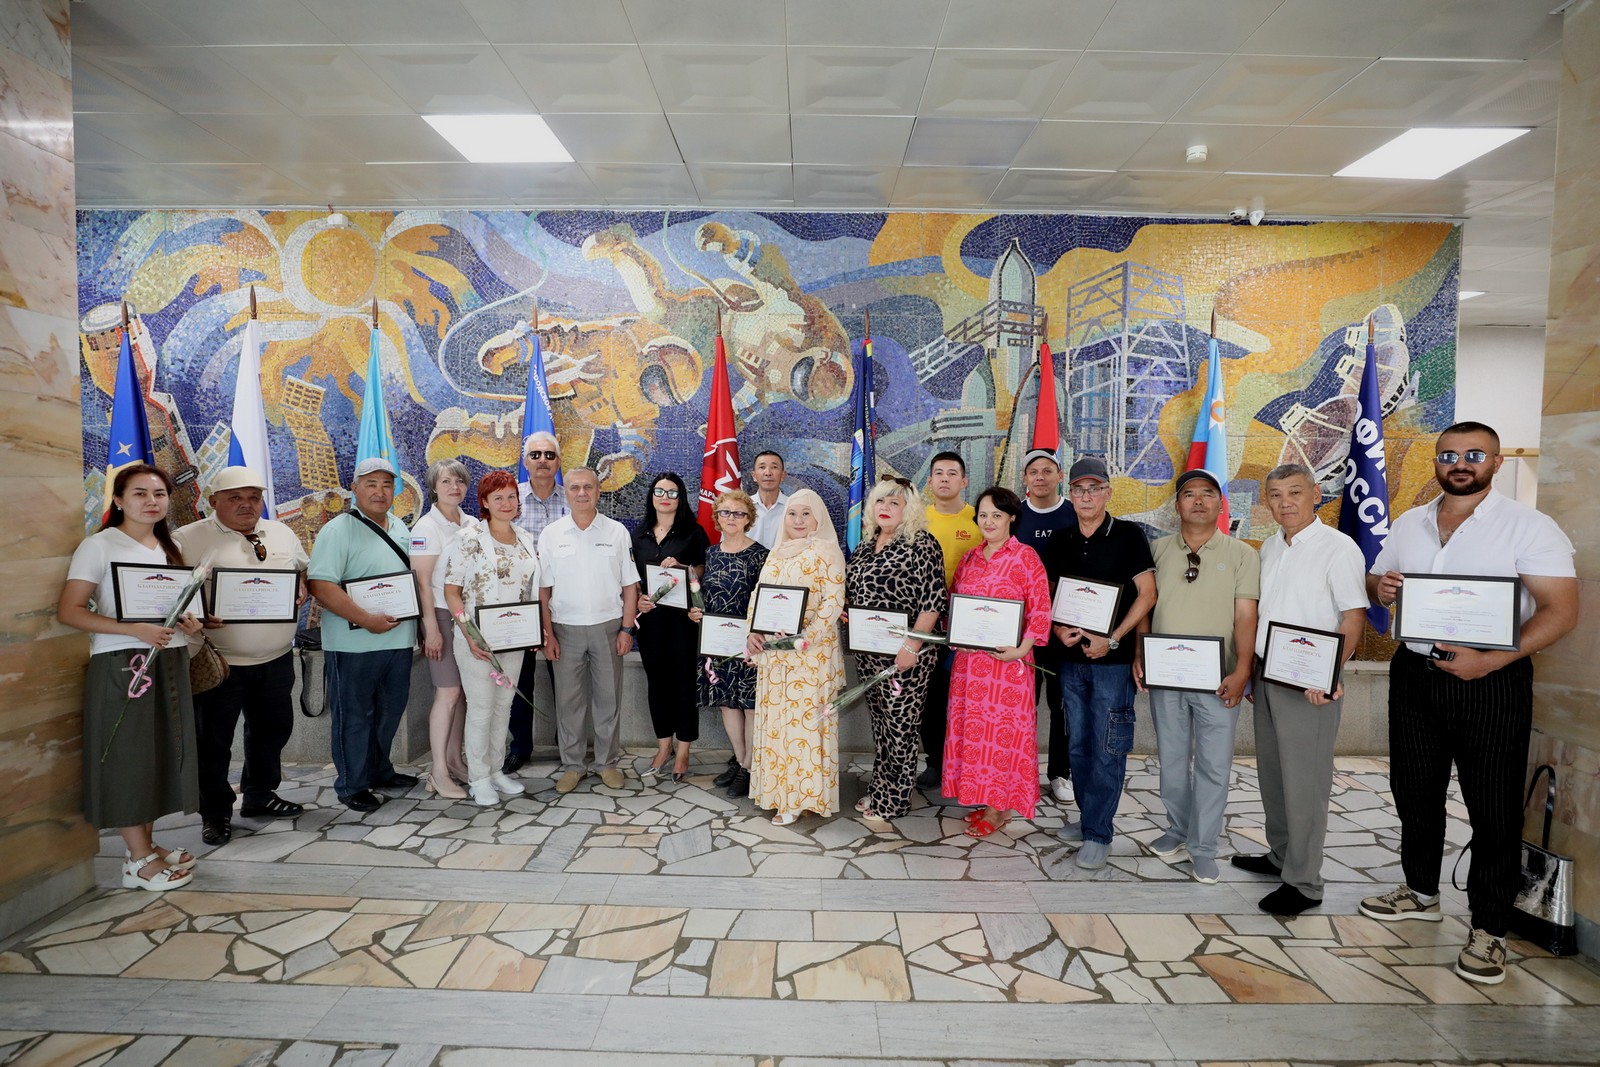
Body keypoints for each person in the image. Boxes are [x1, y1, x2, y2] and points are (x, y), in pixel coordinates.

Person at [1360, 422, 1577, 986]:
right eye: (1449, 454)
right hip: (1416, 672)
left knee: (1493, 805)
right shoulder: (1409, 523)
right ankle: (1420, 890)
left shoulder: (1529, 526)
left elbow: (1561, 611)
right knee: (1414, 790)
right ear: (1436, 461)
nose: (1461, 463)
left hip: (1492, 679)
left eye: (1474, 454)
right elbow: (1376, 580)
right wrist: (1381, 588)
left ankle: (1489, 928)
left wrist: (1491, 661)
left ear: (1496, 463)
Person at [58, 464, 202, 890]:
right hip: (123, 663)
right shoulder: (99, 546)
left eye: (159, 494)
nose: (151, 501)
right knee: (128, 756)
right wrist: (133, 630)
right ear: (118, 500)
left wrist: (191, 622)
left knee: (158, 753)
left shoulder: (171, 546)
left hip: (169, 659)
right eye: (140, 493)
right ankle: (138, 861)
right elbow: (70, 611)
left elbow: (176, 606)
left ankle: (146, 845)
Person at [1235, 463, 1366, 914]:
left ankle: (1305, 882)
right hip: (1269, 674)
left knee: (1305, 782)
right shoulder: (1271, 547)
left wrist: (1328, 676)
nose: (1285, 502)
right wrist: (1252, 669)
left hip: (1311, 682)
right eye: (1275, 495)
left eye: (1294, 492)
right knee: (1273, 774)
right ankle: (1281, 855)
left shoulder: (1339, 548)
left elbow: (1352, 617)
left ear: (1316, 495)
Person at [174, 466, 310, 847]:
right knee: (212, 743)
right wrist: (198, 614)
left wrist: (302, 584)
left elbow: (302, 570)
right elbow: (169, 596)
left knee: (272, 731)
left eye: (253, 497)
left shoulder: (281, 533)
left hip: (277, 658)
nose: (246, 505)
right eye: (235, 498)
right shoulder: (186, 539)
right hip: (219, 662)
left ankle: (259, 794)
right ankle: (215, 813)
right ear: (213, 501)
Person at [1137, 469, 1260, 883]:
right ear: (1177, 505)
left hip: (1219, 679)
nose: (1199, 501)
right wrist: (1140, 653)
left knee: (1213, 765)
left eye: (1208, 493)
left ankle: (1204, 847)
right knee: (1172, 760)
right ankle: (1177, 829)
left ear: (1220, 503)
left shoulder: (1242, 554)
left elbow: (1246, 616)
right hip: (1167, 676)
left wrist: (1242, 669)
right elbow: (1145, 607)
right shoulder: (1156, 550)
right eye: (1189, 494)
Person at [1040, 456, 1156, 868]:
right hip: (1070, 660)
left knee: (1108, 746)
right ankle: (1089, 816)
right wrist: (1057, 629)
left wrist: (1115, 638)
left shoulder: (1129, 535)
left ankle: (1099, 833)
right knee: (1078, 744)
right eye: (1079, 489)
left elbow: (1148, 594)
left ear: (1108, 492)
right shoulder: (1062, 539)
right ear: (1069, 495)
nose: (1086, 496)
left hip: (1113, 663)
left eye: (1094, 489)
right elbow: (1049, 593)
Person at [306, 458, 420, 813]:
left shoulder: (401, 528)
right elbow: (321, 586)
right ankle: (352, 784)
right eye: (371, 484)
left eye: (386, 484)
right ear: (354, 489)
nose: (379, 491)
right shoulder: (337, 530)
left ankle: (379, 770)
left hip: (399, 641)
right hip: (353, 645)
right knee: (354, 716)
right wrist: (366, 620)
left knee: (389, 712)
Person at [944, 486, 1052, 837]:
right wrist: (956, 635)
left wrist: (1023, 648)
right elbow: (955, 604)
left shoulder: (1025, 557)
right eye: (983, 515)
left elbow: (1041, 609)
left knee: (1002, 738)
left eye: (996, 515)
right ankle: (992, 802)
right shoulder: (969, 559)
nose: (988, 521)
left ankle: (997, 809)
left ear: (1011, 518)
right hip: (970, 667)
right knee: (976, 736)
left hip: (1008, 666)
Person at [846, 477, 947, 820]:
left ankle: (895, 799)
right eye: (880, 501)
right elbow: (856, 591)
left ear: (909, 509)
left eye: (895, 503)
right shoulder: (866, 545)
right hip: (869, 653)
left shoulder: (922, 543)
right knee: (881, 726)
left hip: (906, 656)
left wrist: (912, 645)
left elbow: (933, 601)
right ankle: (880, 788)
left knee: (901, 727)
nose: (886, 508)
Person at [746, 488, 846, 825]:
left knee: (803, 725)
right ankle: (776, 793)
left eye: (806, 514)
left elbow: (833, 602)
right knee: (777, 724)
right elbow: (758, 596)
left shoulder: (826, 551)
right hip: (776, 657)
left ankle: (800, 798)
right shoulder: (777, 552)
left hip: (810, 657)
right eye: (792, 513)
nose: (798, 520)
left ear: (818, 519)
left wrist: (806, 637)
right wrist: (752, 631)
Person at [442, 471, 541, 807]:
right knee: (482, 708)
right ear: (484, 502)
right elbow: (451, 591)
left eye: (511, 496)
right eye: (498, 497)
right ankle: (479, 778)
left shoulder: (525, 537)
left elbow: (529, 588)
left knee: (504, 707)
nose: (506, 503)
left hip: (513, 638)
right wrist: (469, 634)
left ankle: (497, 770)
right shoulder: (469, 538)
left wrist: (533, 629)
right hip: (478, 640)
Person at [538, 467, 638, 794]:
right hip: (564, 629)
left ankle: (607, 763)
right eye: (575, 487)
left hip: (608, 627)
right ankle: (573, 765)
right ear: (565, 492)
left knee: (608, 699)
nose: (582, 493)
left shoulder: (617, 532)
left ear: (598, 491)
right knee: (569, 702)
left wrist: (626, 629)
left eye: (588, 487)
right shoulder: (551, 534)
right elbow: (543, 590)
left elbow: (630, 586)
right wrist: (548, 634)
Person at [633, 471, 710, 782]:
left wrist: (684, 568)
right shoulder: (638, 534)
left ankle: (683, 751)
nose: (665, 498)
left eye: (672, 492)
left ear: (681, 497)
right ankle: (663, 747)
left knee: (683, 684)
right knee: (657, 685)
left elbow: (703, 569)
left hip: (683, 622)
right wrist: (639, 598)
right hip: (650, 622)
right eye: (659, 491)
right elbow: (632, 578)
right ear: (651, 495)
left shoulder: (693, 531)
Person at [691, 489, 768, 799]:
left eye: (739, 513)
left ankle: (749, 768)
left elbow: (765, 602)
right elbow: (706, 596)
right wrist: (697, 611)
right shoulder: (711, 553)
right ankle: (739, 759)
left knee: (749, 706)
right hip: (718, 643)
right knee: (727, 703)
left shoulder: (761, 555)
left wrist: (757, 637)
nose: (731, 517)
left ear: (748, 518)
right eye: (725, 512)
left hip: (749, 643)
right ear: (717, 517)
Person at [408, 459, 477, 799]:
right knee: (447, 693)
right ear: (434, 487)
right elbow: (422, 583)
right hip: (440, 616)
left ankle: (453, 760)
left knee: (461, 693)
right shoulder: (426, 527)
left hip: (466, 617)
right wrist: (431, 629)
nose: (454, 487)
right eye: (447, 481)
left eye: (460, 481)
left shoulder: (472, 523)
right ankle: (437, 772)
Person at [505, 431, 567, 773]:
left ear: (558, 462)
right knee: (520, 678)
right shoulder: (510, 500)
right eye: (536, 454)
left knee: (567, 678)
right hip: (522, 603)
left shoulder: (573, 499)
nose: (543, 460)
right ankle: (520, 746)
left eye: (549, 455)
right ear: (525, 461)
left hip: (565, 602)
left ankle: (568, 742)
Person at [1018, 448, 1078, 804]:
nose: (1040, 477)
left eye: (1047, 470)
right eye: (1033, 472)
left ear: (1060, 476)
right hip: (1021, 629)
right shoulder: (1014, 516)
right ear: (1025, 478)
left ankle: (1059, 772)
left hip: (1064, 629)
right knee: (1020, 703)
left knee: (1061, 702)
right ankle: (1017, 770)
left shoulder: (1075, 514)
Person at [918, 450, 976, 790]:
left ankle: (965, 764)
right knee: (930, 696)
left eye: (952, 473)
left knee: (962, 697)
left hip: (967, 625)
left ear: (964, 481)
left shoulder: (979, 519)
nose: (944, 478)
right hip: (925, 624)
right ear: (929, 481)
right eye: (938, 473)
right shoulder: (917, 519)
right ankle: (935, 762)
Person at [749, 449, 789, 549]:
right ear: (754, 476)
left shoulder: (793, 507)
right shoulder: (742, 508)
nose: (768, 473)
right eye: (762, 467)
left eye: (774, 467)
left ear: (783, 475)